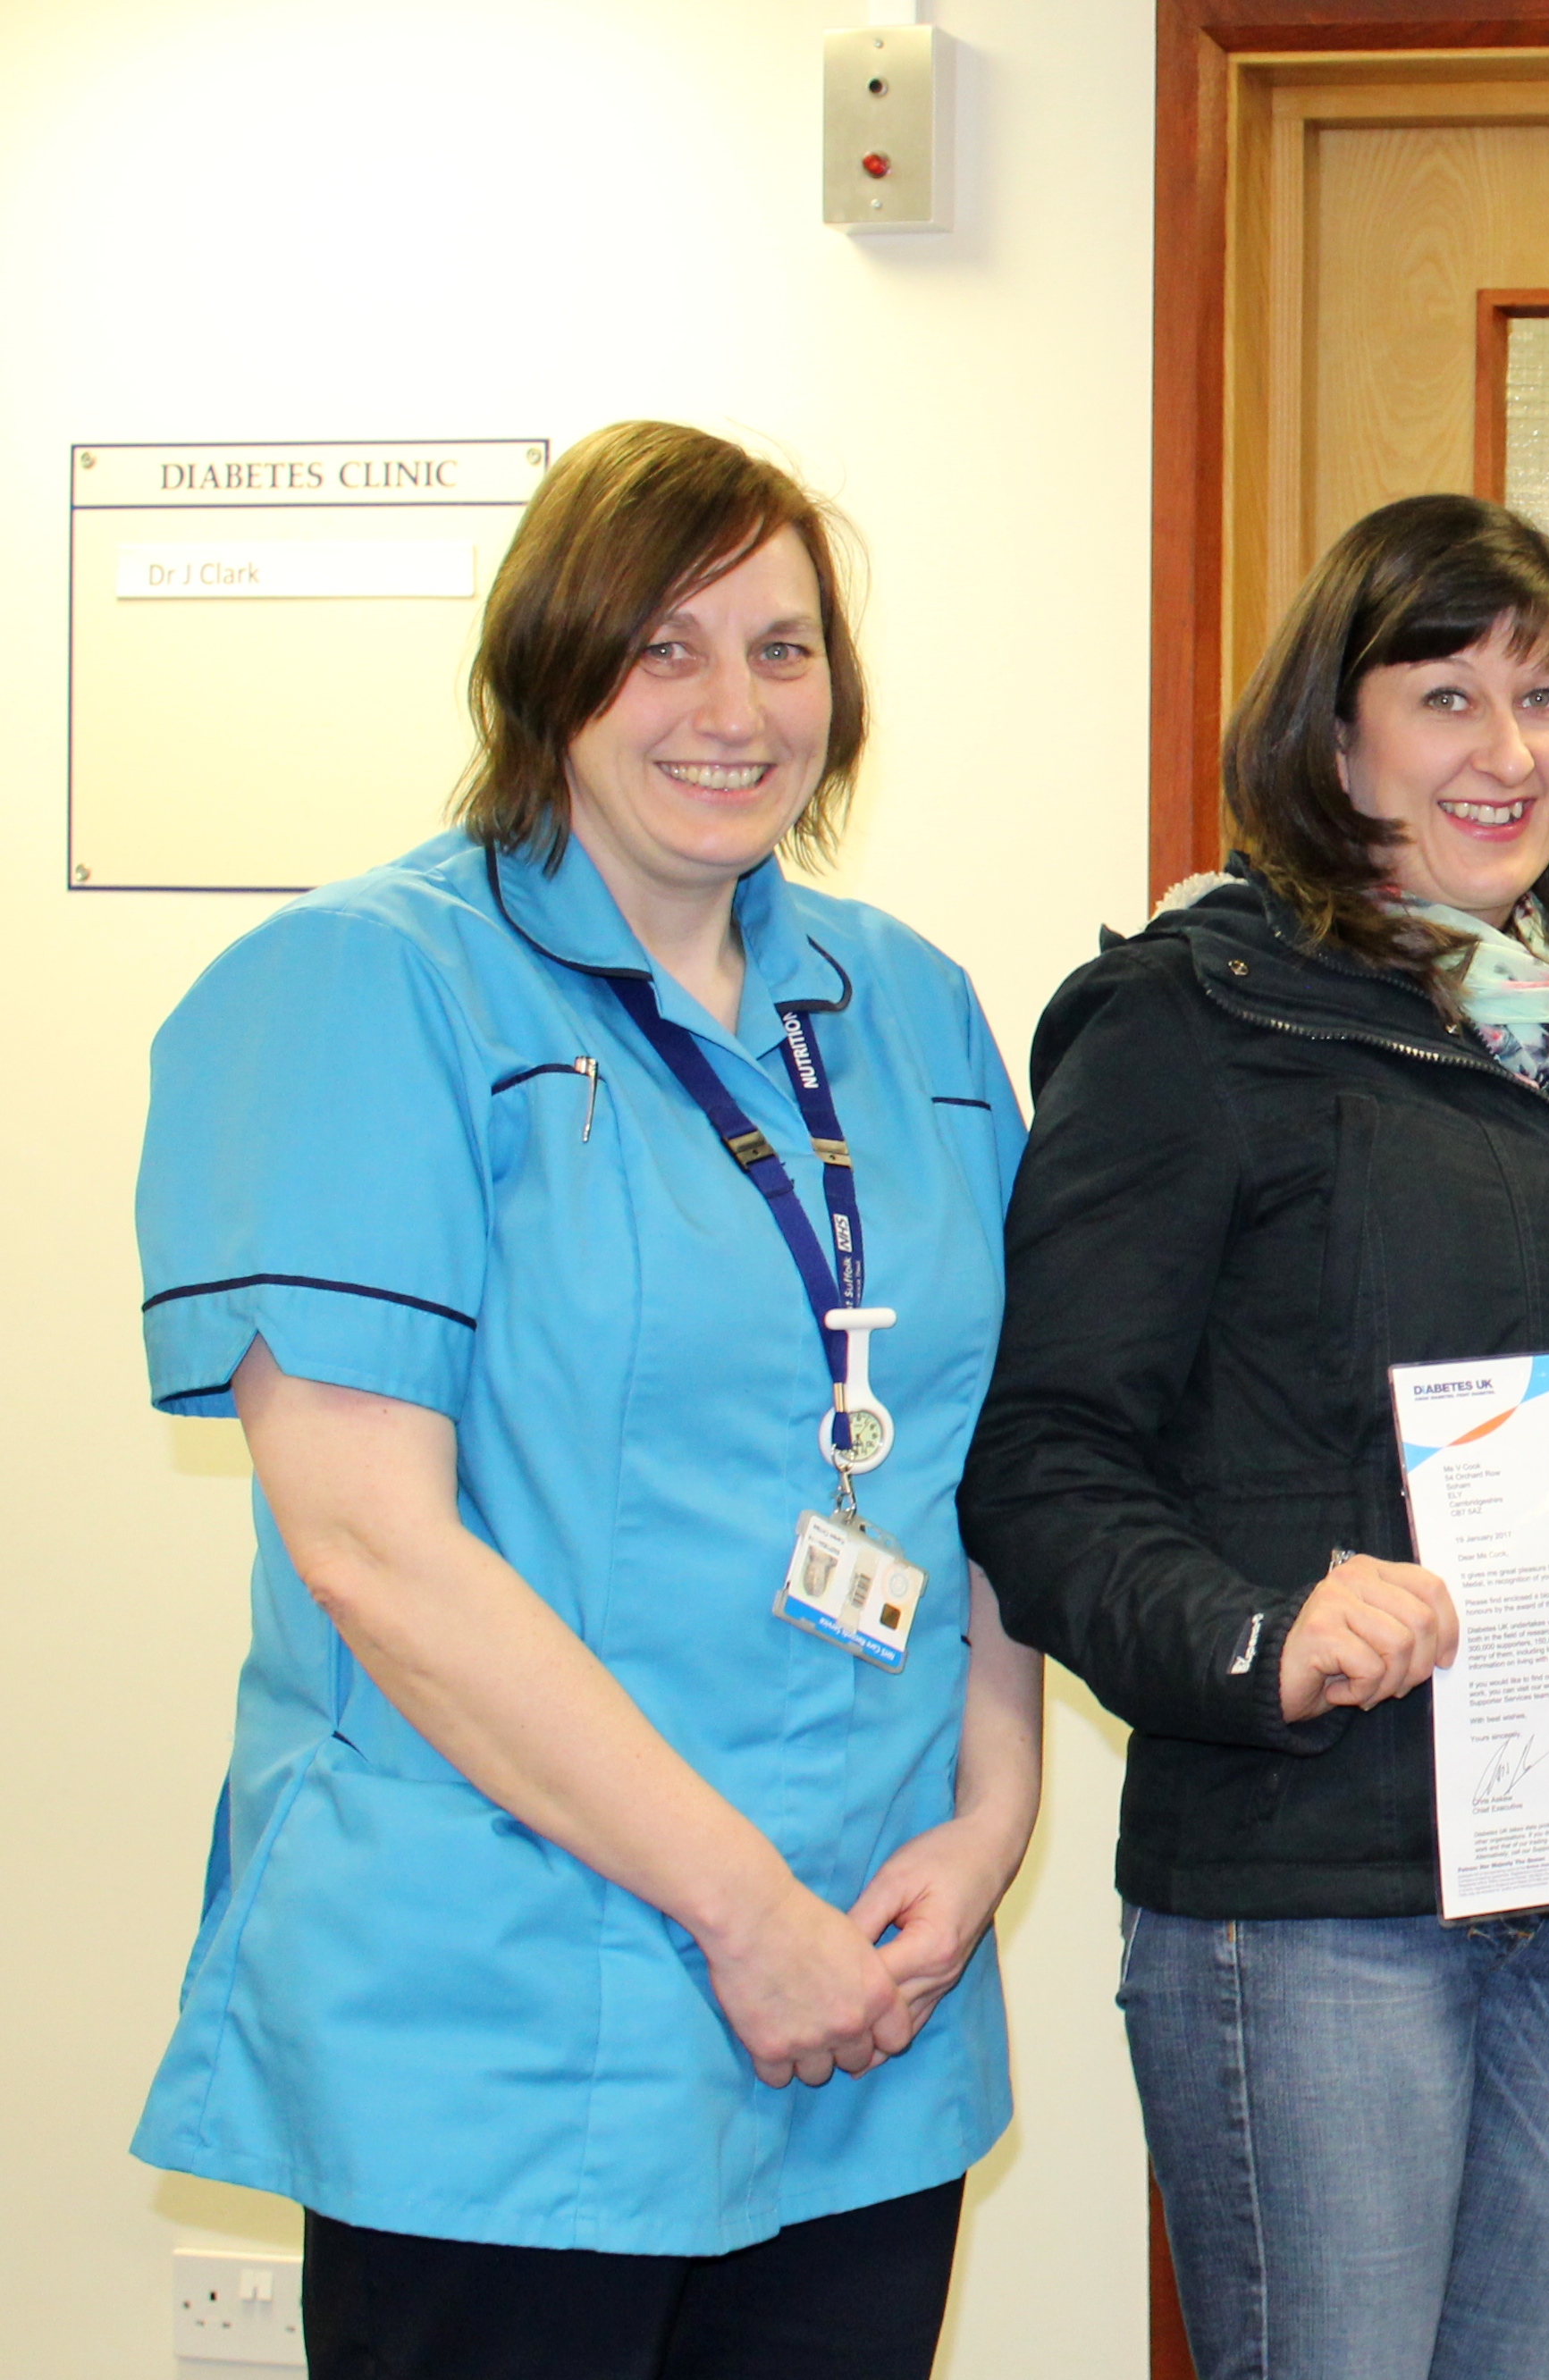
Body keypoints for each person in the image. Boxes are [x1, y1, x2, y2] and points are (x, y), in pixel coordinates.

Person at [131, 420, 1043, 2377]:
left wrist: (993, 1818)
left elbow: (978, 1460)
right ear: (548, 669)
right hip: (513, 2017)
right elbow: (376, 1551)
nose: (734, 708)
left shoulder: (916, 1015)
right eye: (665, 646)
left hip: (871, 1992)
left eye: (784, 650)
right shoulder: (364, 992)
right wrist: (744, 1917)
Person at [959, 494, 1549, 2380]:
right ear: (1333, 733)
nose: (1508, 752)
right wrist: (1258, 1634)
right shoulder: (1191, 1020)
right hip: (1317, 1899)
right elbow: (1040, 1464)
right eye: (1446, 696)